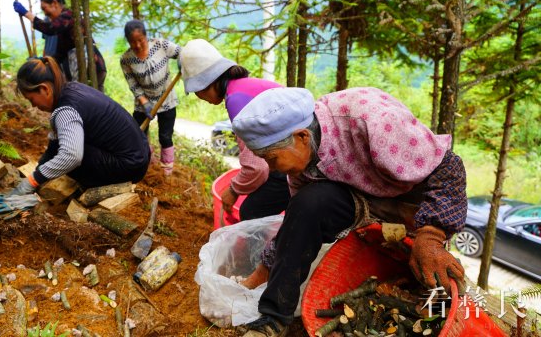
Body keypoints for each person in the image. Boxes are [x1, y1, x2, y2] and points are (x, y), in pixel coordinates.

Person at [230, 87, 467, 337]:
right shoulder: (302, 167)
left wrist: (431, 235)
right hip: (361, 199)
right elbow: (295, 232)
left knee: (423, 278)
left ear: (301, 137)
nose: (272, 169)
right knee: (307, 205)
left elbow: (449, 169)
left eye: (271, 158)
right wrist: (255, 280)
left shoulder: (374, 122)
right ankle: (273, 319)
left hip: (411, 199)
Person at [179, 39, 290, 225]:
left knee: (251, 213)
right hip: (298, 154)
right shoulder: (246, 87)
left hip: (297, 163)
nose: (199, 97)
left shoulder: (237, 102)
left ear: (208, 83)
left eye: (197, 91)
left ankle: (262, 254)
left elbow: (257, 168)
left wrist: (233, 191)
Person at [9, 57, 149, 199]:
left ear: (45, 89)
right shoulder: (71, 89)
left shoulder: (66, 110)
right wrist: (36, 175)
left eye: (32, 100)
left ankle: (91, 186)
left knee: (69, 158)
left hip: (129, 168)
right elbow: (55, 144)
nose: (33, 106)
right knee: (62, 147)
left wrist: (33, 180)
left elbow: (71, 156)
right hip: (139, 156)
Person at [13, 0, 107, 91]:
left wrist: (27, 14)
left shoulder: (69, 15)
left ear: (54, 3)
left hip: (93, 68)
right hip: (92, 70)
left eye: (45, 8)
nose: (45, 13)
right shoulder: (63, 30)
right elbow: (59, 55)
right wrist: (41, 61)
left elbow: (50, 28)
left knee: (87, 95)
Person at [120, 20, 181, 176]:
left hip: (166, 99)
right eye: (133, 42)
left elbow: (181, 52)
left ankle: (166, 171)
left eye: (140, 40)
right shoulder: (126, 59)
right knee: (138, 135)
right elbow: (132, 84)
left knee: (165, 137)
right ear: (128, 41)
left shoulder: (161, 45)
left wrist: (183, 61)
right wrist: (144, 102)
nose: (138, 45)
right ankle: (147, 164)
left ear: (146, 36)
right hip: (143, 102)